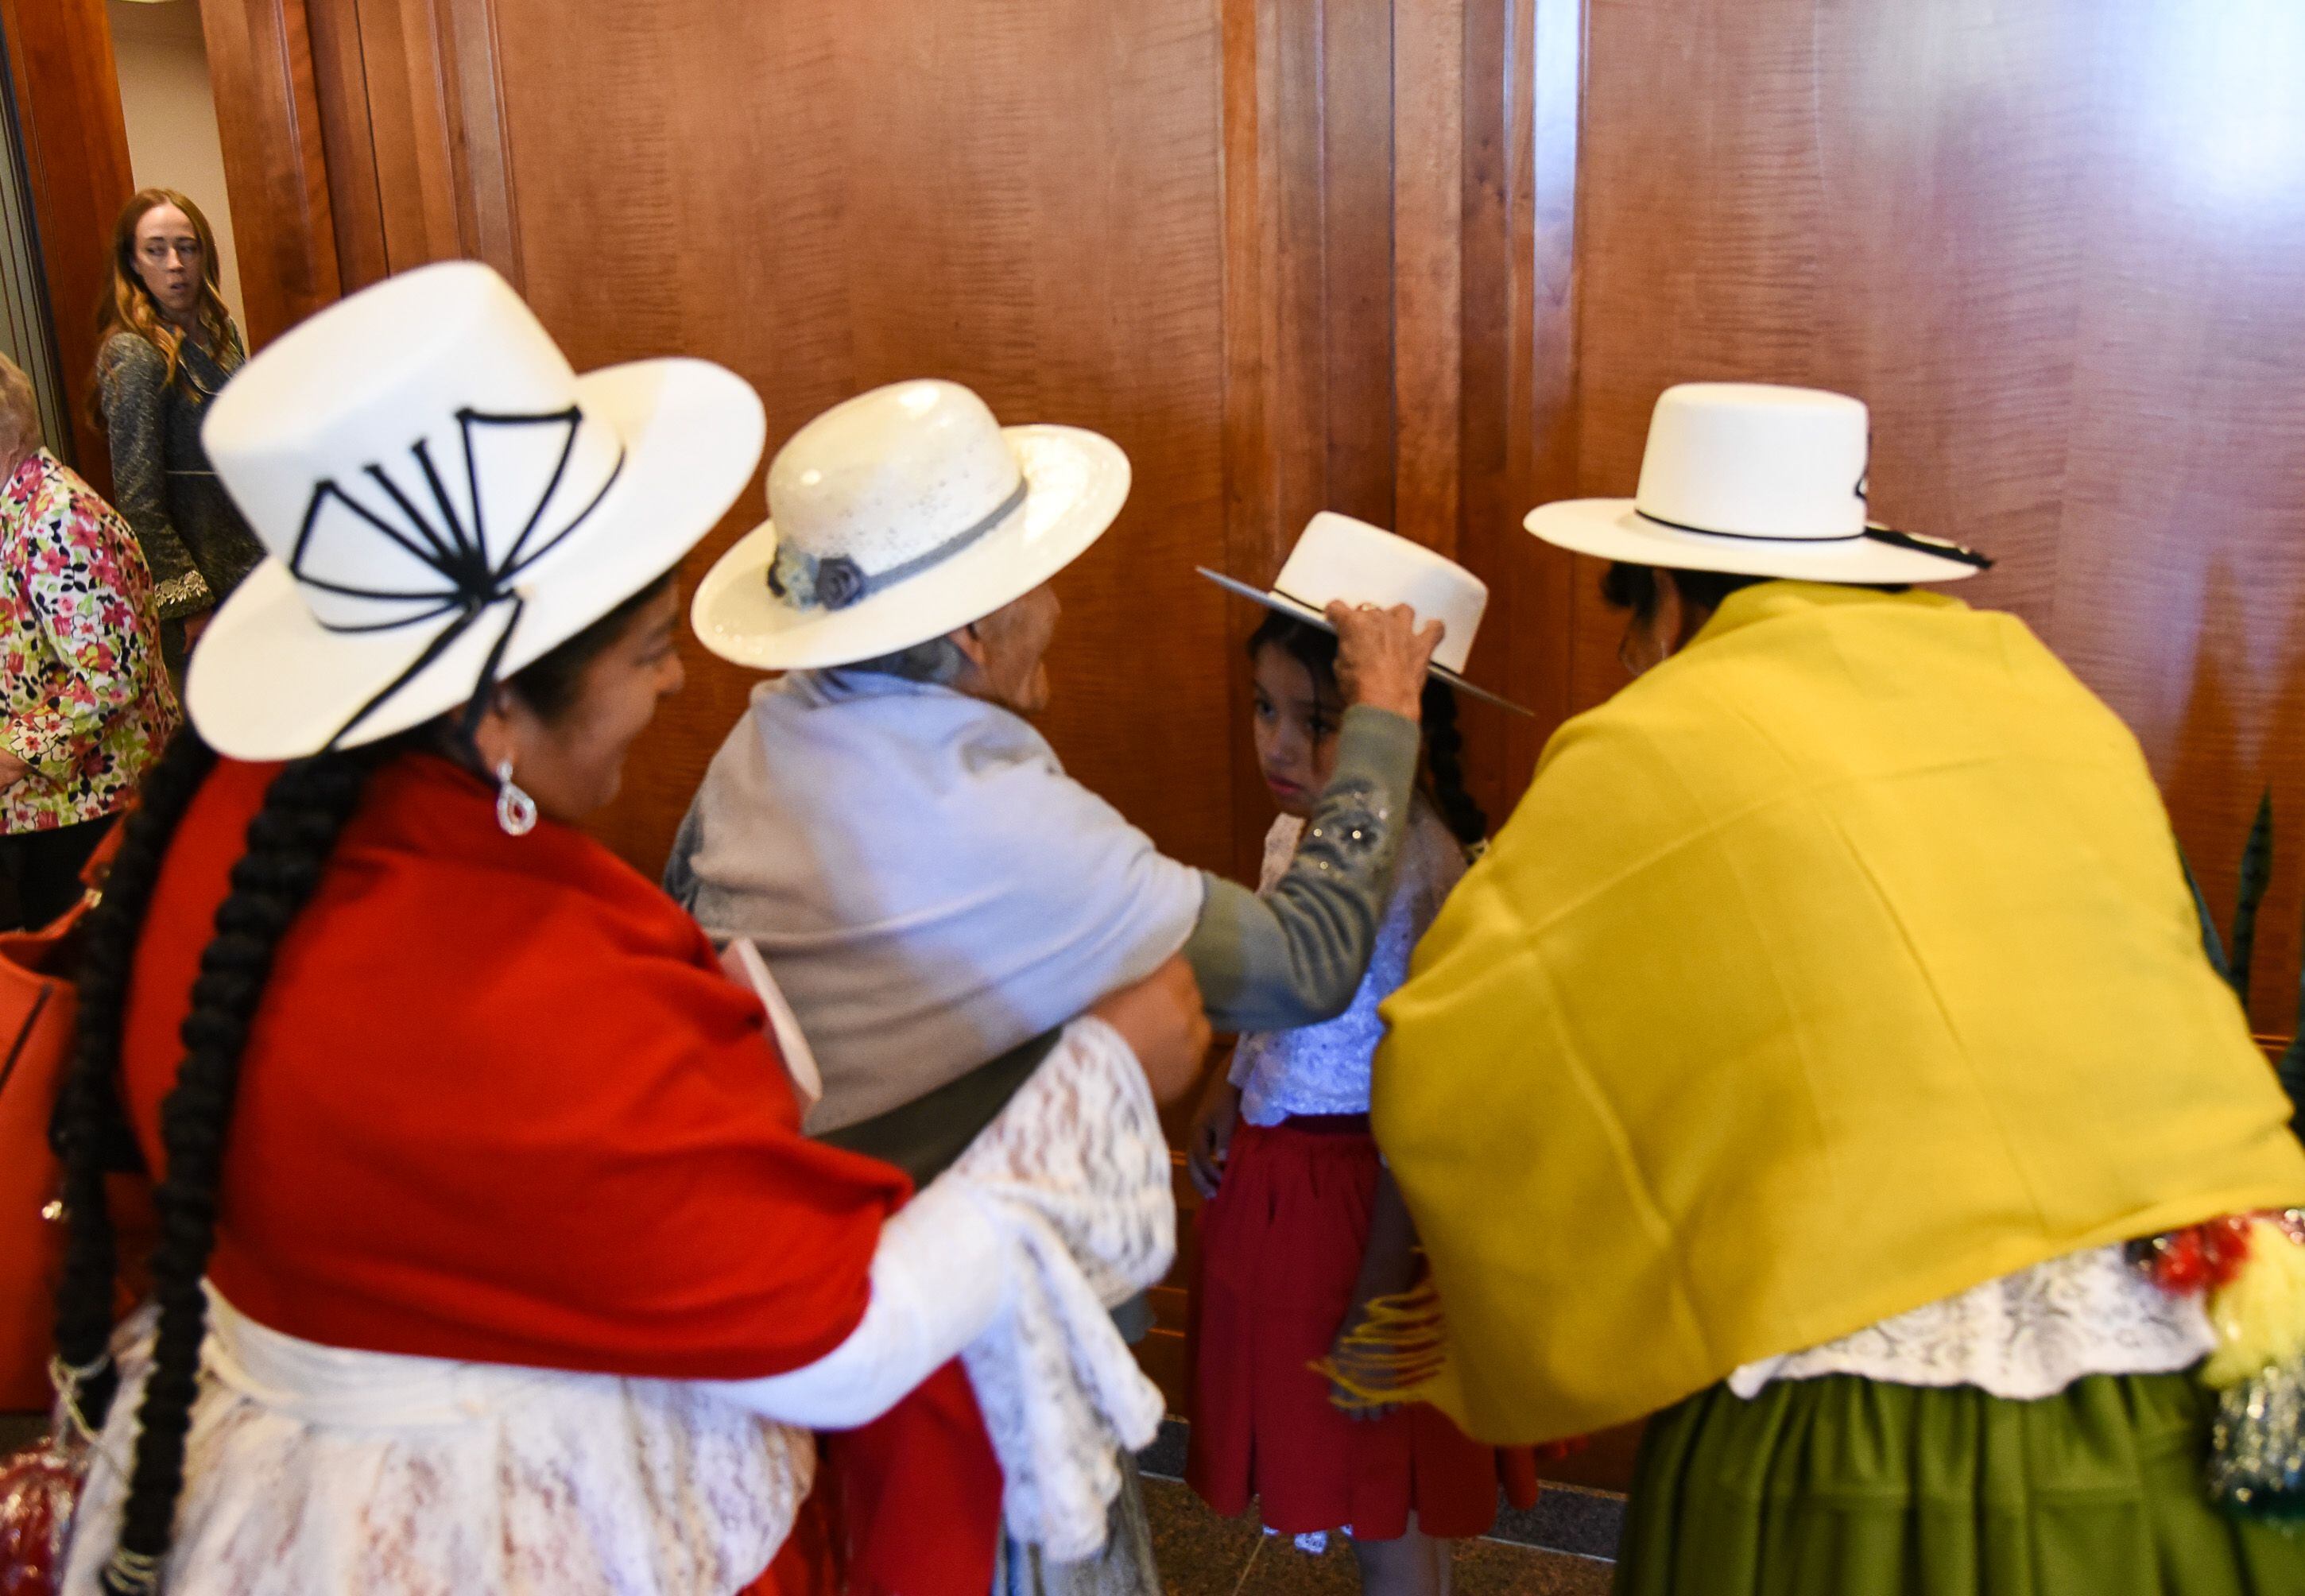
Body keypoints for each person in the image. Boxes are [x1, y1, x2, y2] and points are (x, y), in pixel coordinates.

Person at [47, 262, 1207, 1596]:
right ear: (493, 720)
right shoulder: (516, 996)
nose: (679, 678)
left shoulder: (223, 822)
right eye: (653, 645)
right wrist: (1100, 1082)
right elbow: (844, 1334)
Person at [1365, 383, 2305, 1594]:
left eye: (1629, 630)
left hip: (1873, 1431)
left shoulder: (1659, 734)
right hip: (2224, 1346)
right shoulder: (2038, 691)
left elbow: (1455, 1053)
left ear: (1662, 599)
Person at [668, 385, 1445, 1594]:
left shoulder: (759, 745)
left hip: (802, 1309)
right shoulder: (999, 830)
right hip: (966, 1353)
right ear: (976, 633)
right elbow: (1306, 963)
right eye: (1038, 580)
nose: (1059, 605)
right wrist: (1384, 722)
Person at [1182, 514, 1540, 1594]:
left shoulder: (1424, 867)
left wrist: (1389, 1271)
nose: (1281, 747)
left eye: (1322, 720)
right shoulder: (1300, 833)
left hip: (1367, 1204)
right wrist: (1227, 1083)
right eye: (1265, 710)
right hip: (1280, 1182)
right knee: (1324, 1461)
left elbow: (1429, 1087)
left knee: (1387, 1485)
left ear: (1404, 726)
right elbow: (1282, 979)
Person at [0, 351, 175, 930]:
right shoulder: (19, 509)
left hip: (86, 809)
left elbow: (111, 672)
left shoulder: (56, 517)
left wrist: (11, 753)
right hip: (51, 811)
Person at [93, 189, 265, 667]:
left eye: (186, 247)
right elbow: (139, 502)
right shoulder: (134, 355)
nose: (175, 264)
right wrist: (191, 606)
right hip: (205, 594)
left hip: (259, 569)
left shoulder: (222, 335)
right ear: (133, 262)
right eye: (156, 249)